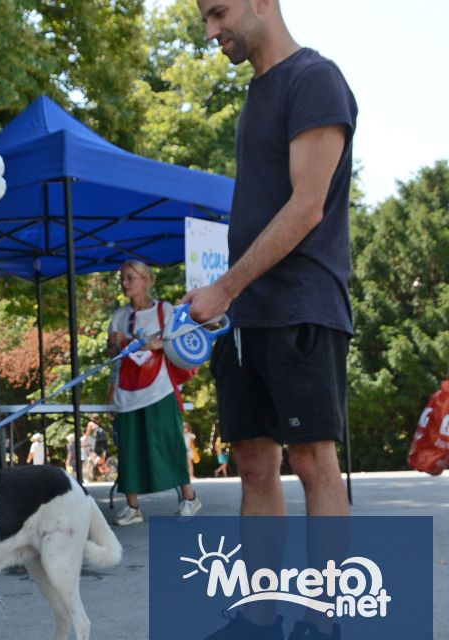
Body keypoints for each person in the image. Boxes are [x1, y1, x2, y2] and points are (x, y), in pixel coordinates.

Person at [186, 0, 356, 520]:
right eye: (206, 20)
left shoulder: (315, 78)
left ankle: (327, 603)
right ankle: (261, 603)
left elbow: (307, 208)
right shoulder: (257, 91)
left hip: (303, 305)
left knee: (312, 461)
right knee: (254, 464)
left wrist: (226, 287)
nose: (212, 31)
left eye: (219, 13)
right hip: (247, 313)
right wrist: (220, 293)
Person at [107, 260, 200, 526]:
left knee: (168, 442)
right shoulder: (119, 315)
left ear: (146, 280)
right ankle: (132, 507)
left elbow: (181, 342)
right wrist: (112, 345)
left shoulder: (164, 310)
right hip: (128, 390)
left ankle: (189, 498)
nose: (125, 284)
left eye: (130, 278)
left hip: (159, 389)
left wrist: (158, 344)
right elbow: (113, 355)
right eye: (123, 278)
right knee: (129, 447)